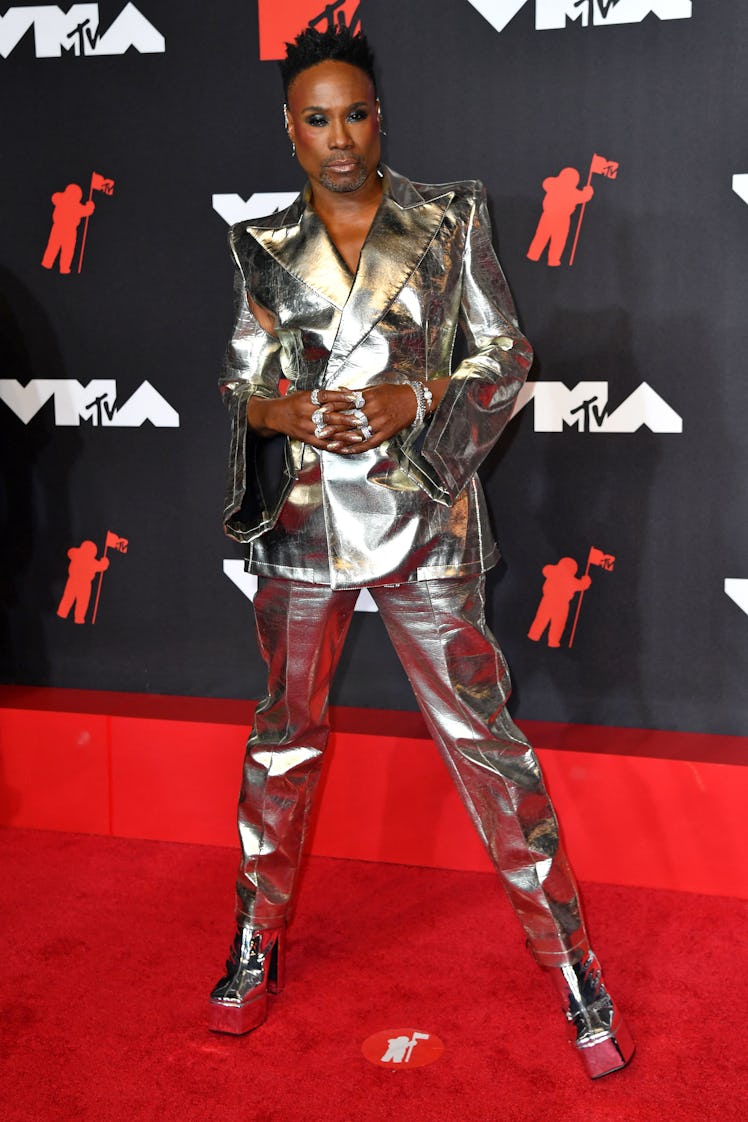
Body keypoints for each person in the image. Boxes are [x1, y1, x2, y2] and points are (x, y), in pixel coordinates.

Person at [210, 25, 634, 1079]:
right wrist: (286, 413)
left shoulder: (447, 218)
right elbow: (240, 387)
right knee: (282, 742)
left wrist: (418, 397)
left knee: (488, 749)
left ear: (379, 116)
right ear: (290, 130)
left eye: (356, 113)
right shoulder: (259, 242)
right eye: (317, 119)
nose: (340, 138)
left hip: (424, 511)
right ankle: (256, 939)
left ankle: (571, 962)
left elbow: (505, 354)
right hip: (304, 525)